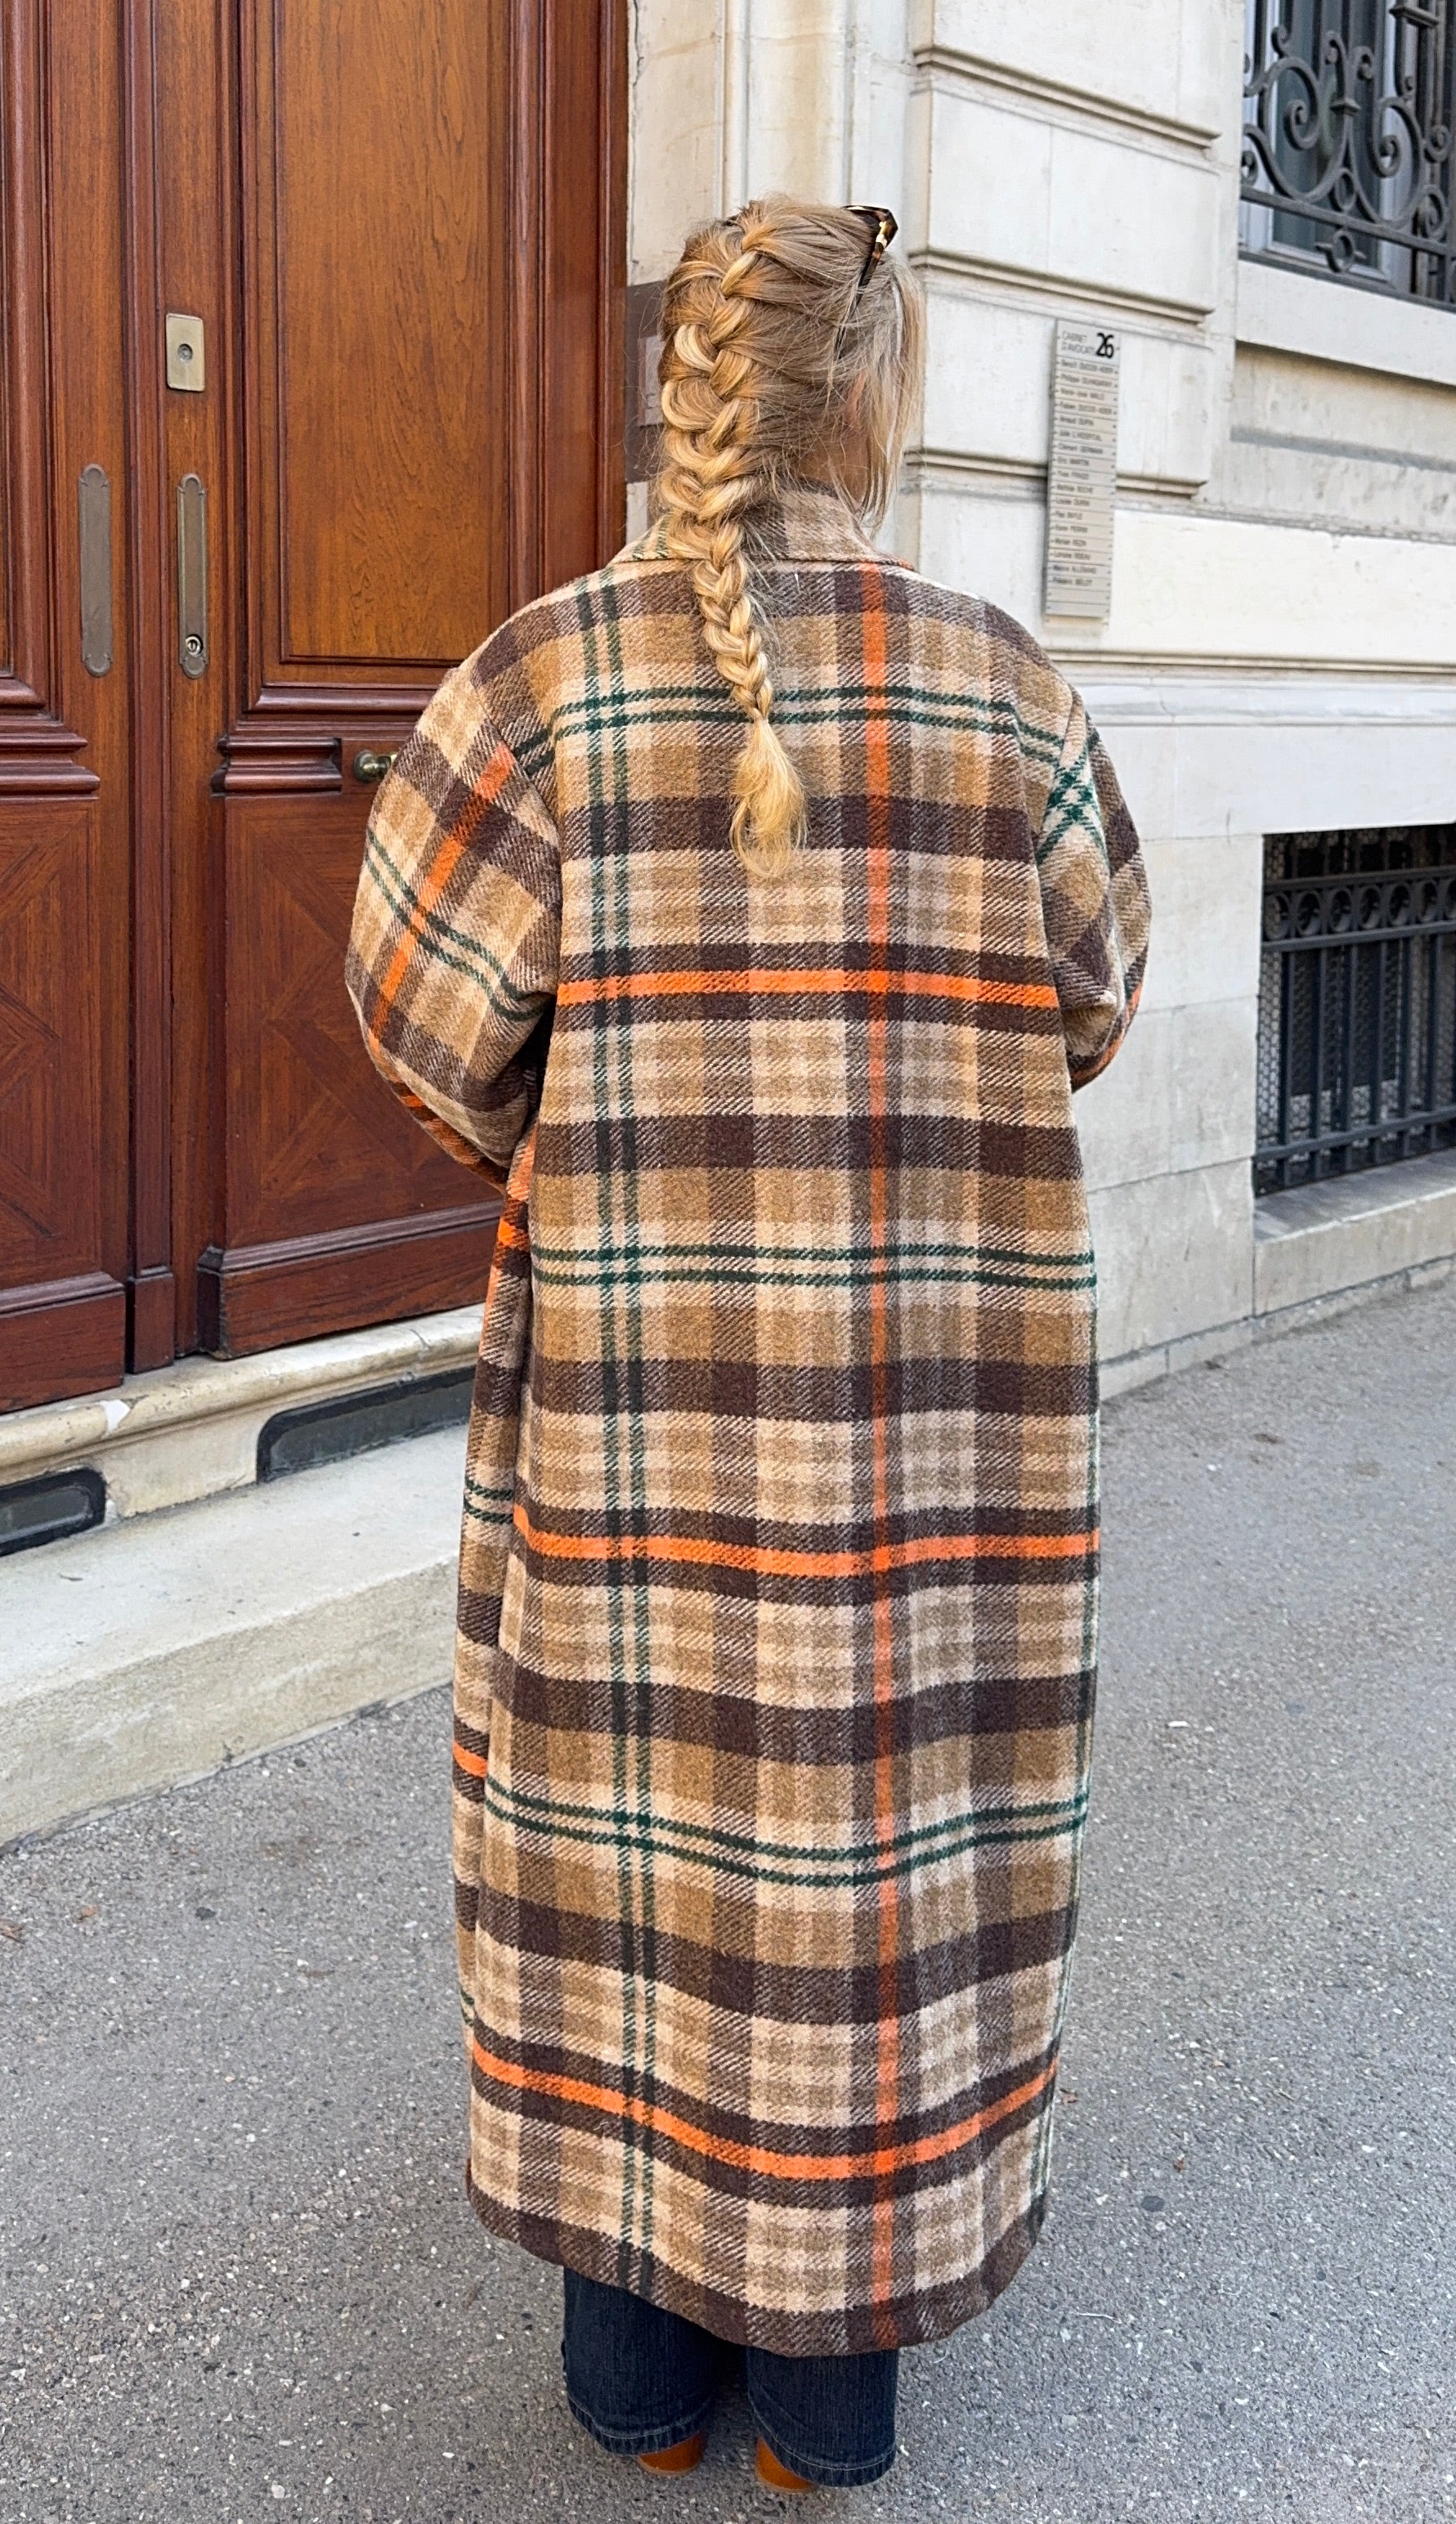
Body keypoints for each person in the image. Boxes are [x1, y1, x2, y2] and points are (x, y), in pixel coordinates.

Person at [346, 195, 1149, 2492]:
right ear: (879, 406)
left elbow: (421, 1022)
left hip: (635, 1415)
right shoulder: (1006, 691)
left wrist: (588, 1114)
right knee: (882, 1846)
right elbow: (1093, 999)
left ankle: (637, 2389)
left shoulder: (537, 684)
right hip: (927, 1450)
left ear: (682, 394)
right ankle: (825, 2404)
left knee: (632, 1839)